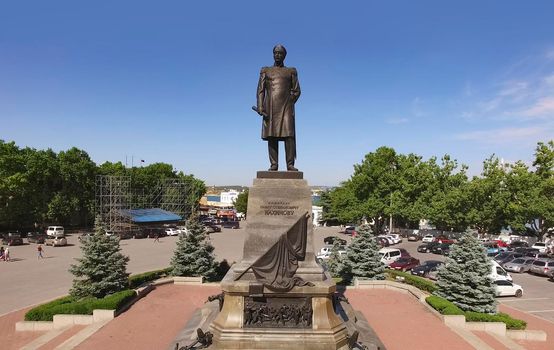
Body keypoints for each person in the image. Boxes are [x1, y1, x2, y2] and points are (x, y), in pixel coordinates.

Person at [255, 44, 301, 171]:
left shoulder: (291, 71)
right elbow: (260, 90)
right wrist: (260, 106)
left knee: (289, 135)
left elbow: (297, 91)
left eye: (280, 53)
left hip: (286, 107)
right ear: (273, 54)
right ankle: (274, 164)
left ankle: (290, 164)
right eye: (275, 52)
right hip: (270, 107)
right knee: (272, 136)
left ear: (284, 55)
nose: (277, 55)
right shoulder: (266, 70)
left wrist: (290, 101)